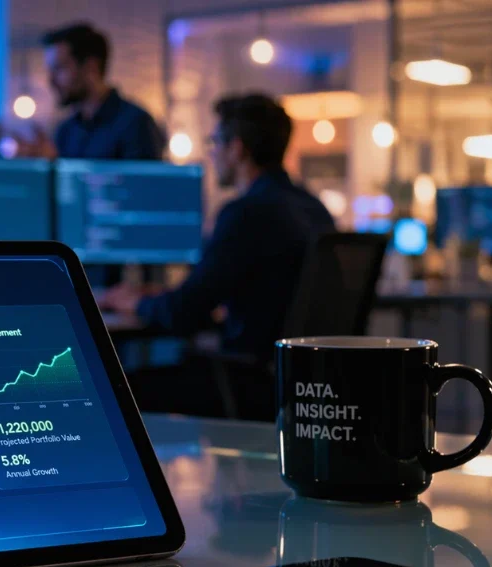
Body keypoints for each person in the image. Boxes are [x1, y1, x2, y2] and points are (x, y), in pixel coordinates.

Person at [102, 93, 336, 419]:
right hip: (302, 382)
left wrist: (129, 301)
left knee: (114, 388)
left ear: (237, 148)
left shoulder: (246, 213)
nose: (212, 153)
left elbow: (182, 312)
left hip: (245, 380)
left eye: (215, 142)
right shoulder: (315, 209)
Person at [0, 22, 164, 161]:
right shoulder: (67, 131)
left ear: (91, 67)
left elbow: (143, 198)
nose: (51, 80)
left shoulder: (135, 124)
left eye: (59, 68)